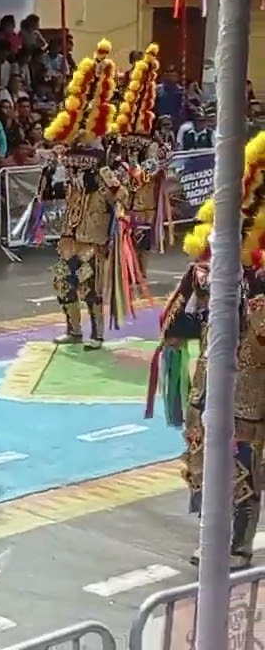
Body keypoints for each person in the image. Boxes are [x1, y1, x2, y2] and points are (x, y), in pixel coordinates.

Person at [147, 131, 265, 568]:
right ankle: (211, 534)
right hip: (208, 386)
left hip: (250, 389)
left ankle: (238, 543)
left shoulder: (259, 279)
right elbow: (173, 329)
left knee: (243, 467)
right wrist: (199, 290)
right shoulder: (205, 273)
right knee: (201, 461)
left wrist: (247, 292)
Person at [40, 39, 125, 350]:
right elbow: (48, 194)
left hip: (93, 240)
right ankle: (74, 331)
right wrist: (51, 172)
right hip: (69, 235)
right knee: (63, 283)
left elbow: (121, 196)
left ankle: (97, 334)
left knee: (90, 287)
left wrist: (104, 181)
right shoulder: (72, 171)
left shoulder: (103, 170)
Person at [110, 43, 171, 284]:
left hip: (144, 191)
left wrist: (141, 170)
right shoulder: (120, 132)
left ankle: (141, 272)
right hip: (126, 192)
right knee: (122, 230)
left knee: (142, 234)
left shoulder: (152, 135)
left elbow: (160, 159)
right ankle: (125, 269)